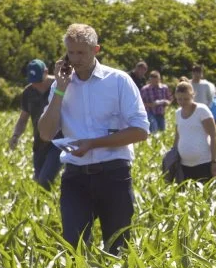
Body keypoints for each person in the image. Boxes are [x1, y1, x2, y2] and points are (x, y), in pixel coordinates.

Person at [38, 24, 149, 254]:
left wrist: (93, 143)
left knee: (117, 249)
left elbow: (140, 131)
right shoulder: (61, 85)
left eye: (82, 52)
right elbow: (46, 133)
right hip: (75, 177)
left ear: (96, 49)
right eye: (71, 52)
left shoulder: (118, 81)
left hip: (114, 174)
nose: (75, 59)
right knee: (74, 249)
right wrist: (59, 89)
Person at [8, 59, 64, 189]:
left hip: (58, 141)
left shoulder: (60, 86)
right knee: (38, 182)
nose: (36, 85)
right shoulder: (28, 92)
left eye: (38, 81)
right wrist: (15, 135)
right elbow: (23, 119)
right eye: (32, 81)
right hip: (40, 143)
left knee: (45, 181)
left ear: (46, 72)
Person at [172, 81, 216, 184]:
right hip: (184, 165)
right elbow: (178, 136)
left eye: (186, 99)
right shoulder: (178, 113)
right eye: (179, 99)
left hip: (203, 163)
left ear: (192, 95)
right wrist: (173, 155)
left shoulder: (202, 110)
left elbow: (213, 136)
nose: (182, 102)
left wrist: (214, 161)